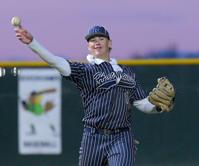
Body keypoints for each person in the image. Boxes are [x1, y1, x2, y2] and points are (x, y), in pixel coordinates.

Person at [14, 25, 175, 166]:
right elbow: (55, 61)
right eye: (92, 40)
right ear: (88, 46)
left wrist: (158, 106)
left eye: (101, 38)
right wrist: (32, 43)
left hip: (122, 136)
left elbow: (143, 104)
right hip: (93, 136)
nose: (96, 42)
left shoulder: (126, 71)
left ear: (110, 43)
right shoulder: (85, 71)